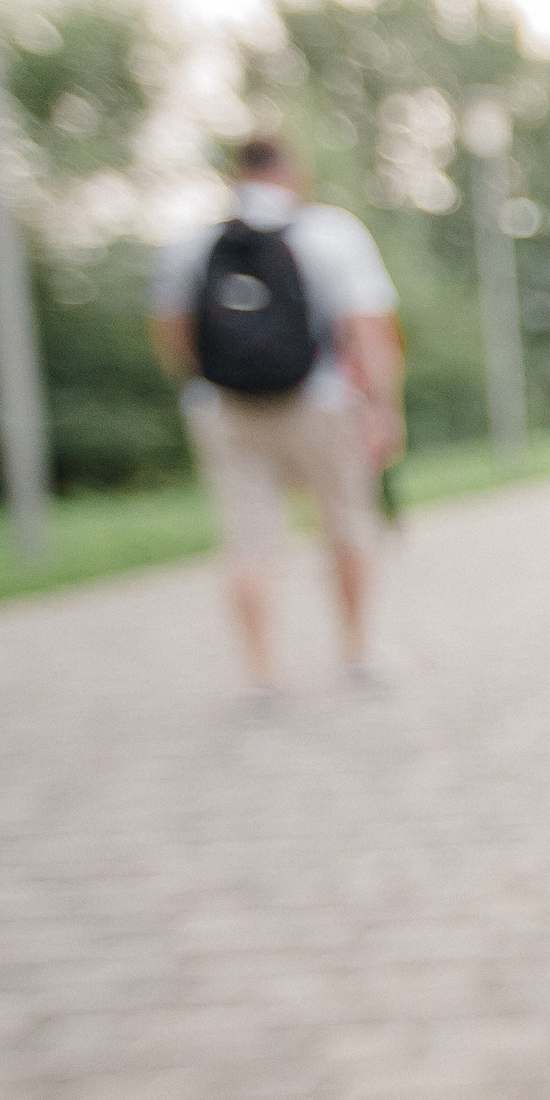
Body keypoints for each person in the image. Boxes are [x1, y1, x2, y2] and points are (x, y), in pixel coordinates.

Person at [150, 136, 405, 694]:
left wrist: (211, 382)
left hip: (225, 409)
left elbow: (172, 335)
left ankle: (261, 672)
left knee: (248, 541)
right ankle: (358, 650)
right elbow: (368, 330)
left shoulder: (191, 244)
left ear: (236, 174)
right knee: (346, 525)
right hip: (324, 402)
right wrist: (384, 409)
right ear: (291, 172)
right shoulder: (331, 233)